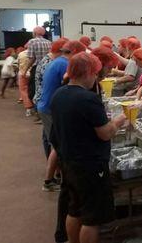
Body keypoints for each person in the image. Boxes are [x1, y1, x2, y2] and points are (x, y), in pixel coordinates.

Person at [50, 53, 127, 243]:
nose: (96, 78)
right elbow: (105, 133)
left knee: (74, 209)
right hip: (90, 165)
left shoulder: (59, 94)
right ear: (88, 73)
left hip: (69, 160)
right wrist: (119, 120)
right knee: (92, 218)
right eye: (95, 73)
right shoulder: (88, 99)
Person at [38, 40, 87, 192]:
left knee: (54, 141)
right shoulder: (63, 65)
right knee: (58, 145)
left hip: (47, 105)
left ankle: (57, 175)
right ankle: (49, 180)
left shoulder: (57, 61)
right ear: (74, 53)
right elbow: (71, 84)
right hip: (50, 108)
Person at [33, 38, 69, 107]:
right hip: (45, 101)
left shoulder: (49, 59)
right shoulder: (54, 63)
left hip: (42, 100)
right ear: (62, 51)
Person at [27, 26, 52, 105]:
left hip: (36, 68)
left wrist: (25, 69)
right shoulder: (49, 42)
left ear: (34, 33)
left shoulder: (32, 41)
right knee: (45, 86)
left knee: (34, 88)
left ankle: (36, 107)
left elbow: (32, 58)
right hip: (47, 67)